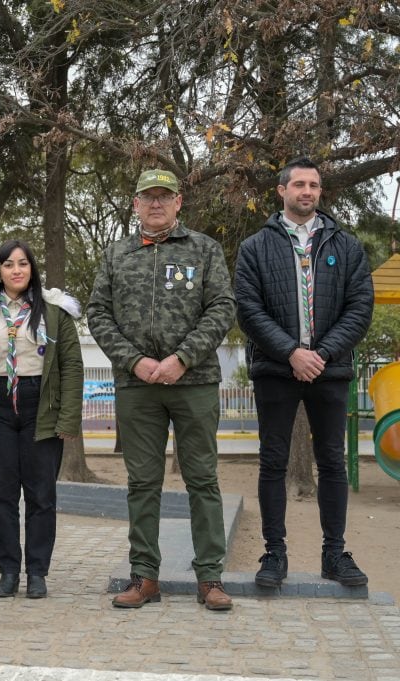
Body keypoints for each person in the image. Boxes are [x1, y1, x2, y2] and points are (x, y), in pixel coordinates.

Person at [87, 169, 236, 611]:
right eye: (147, 196)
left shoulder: (204, 249)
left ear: (178, 202)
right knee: (142, 483)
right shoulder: (117, 254)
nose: (155, 203)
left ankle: (210, 578)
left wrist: (181, 359)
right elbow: (97, 313)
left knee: (203, 479)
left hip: (194, 383)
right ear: (135, 204)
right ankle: (144, 577)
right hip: (137, 385)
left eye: (163, 196)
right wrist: (137, 361)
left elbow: (222, 307)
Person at [235, 157, 374, 588]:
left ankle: (335, 553)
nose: (307, 192)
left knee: (332, 462)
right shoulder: (255, 247)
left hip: (330, 373)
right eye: (299, 184)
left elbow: (360, 307)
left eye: (314, 185)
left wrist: (323, 354)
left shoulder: (346, 246)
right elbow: (248, 309)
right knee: (273, 462)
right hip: (275, 370)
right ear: (282, 191)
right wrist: (292, 353)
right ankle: (274, 554)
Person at [0, 240, 84, 600]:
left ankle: (38, 573)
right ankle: (8, 571)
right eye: (8, 264)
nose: (16, 270)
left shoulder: (55, 312)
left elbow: (71, 366)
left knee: (42, 495)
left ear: (32, 270)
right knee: (1, 495)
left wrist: (69, 419)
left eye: (23, 264)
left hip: (39, 407)